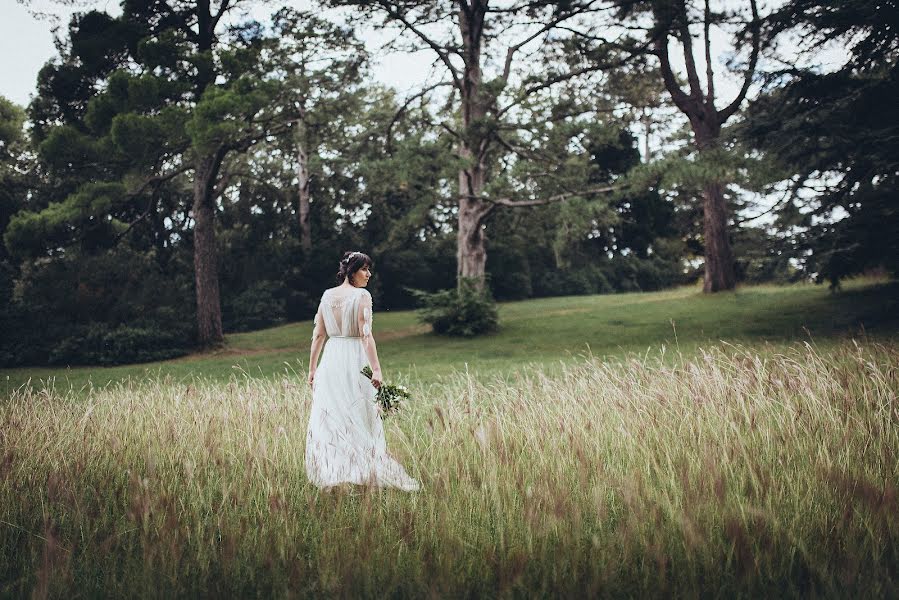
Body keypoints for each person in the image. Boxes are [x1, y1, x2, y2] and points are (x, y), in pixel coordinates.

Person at [304, 251, 420, 491]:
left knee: (335, 415)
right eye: (364, 269)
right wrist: (376, 369)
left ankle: (341, 473)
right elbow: (366, 335)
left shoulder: (327, 296)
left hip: (331, 360)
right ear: (351, 271)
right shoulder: (361, 295)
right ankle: (359, 472)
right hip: (354, 359)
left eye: (369, 270)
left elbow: (319, 334)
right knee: (357, 412)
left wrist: (313, 368)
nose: (369, 275)